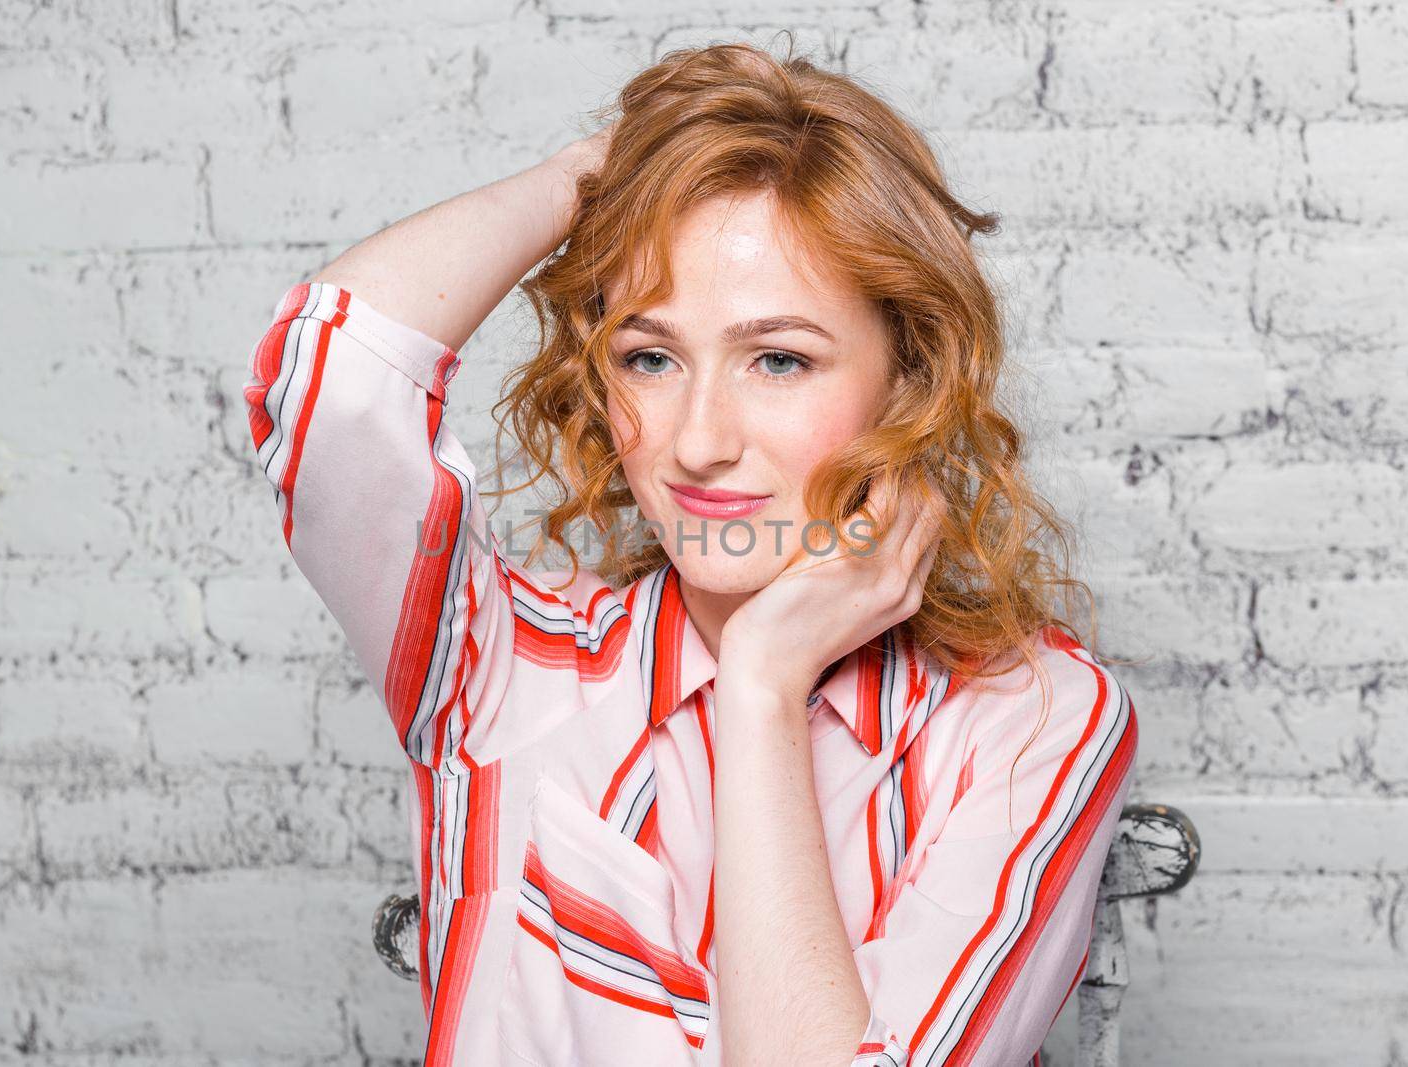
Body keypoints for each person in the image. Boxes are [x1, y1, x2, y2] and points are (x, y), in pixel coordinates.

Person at [243, 39, 1138, 1067]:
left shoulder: (1029, 721)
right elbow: (327, 379)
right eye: (651, 356)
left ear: (906, 381)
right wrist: (595, 176)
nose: (699, 438)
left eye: (778, 358)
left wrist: (761, 684)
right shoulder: (507, 661)